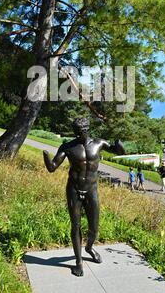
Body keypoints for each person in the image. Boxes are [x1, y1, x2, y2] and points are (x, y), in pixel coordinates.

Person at [43, 117, 125, 277]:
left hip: (92, 190)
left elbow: (118, 151)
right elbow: (52, 167)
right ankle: (79, 262)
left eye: (82, 131)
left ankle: (89, 247)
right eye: (77, 132)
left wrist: (119, 144)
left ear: (87, 129)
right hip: (74, 190)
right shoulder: (68, 147)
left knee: (94, 227)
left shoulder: (99, 143)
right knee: (76, 226)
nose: (80, 134)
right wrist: (46, 157)